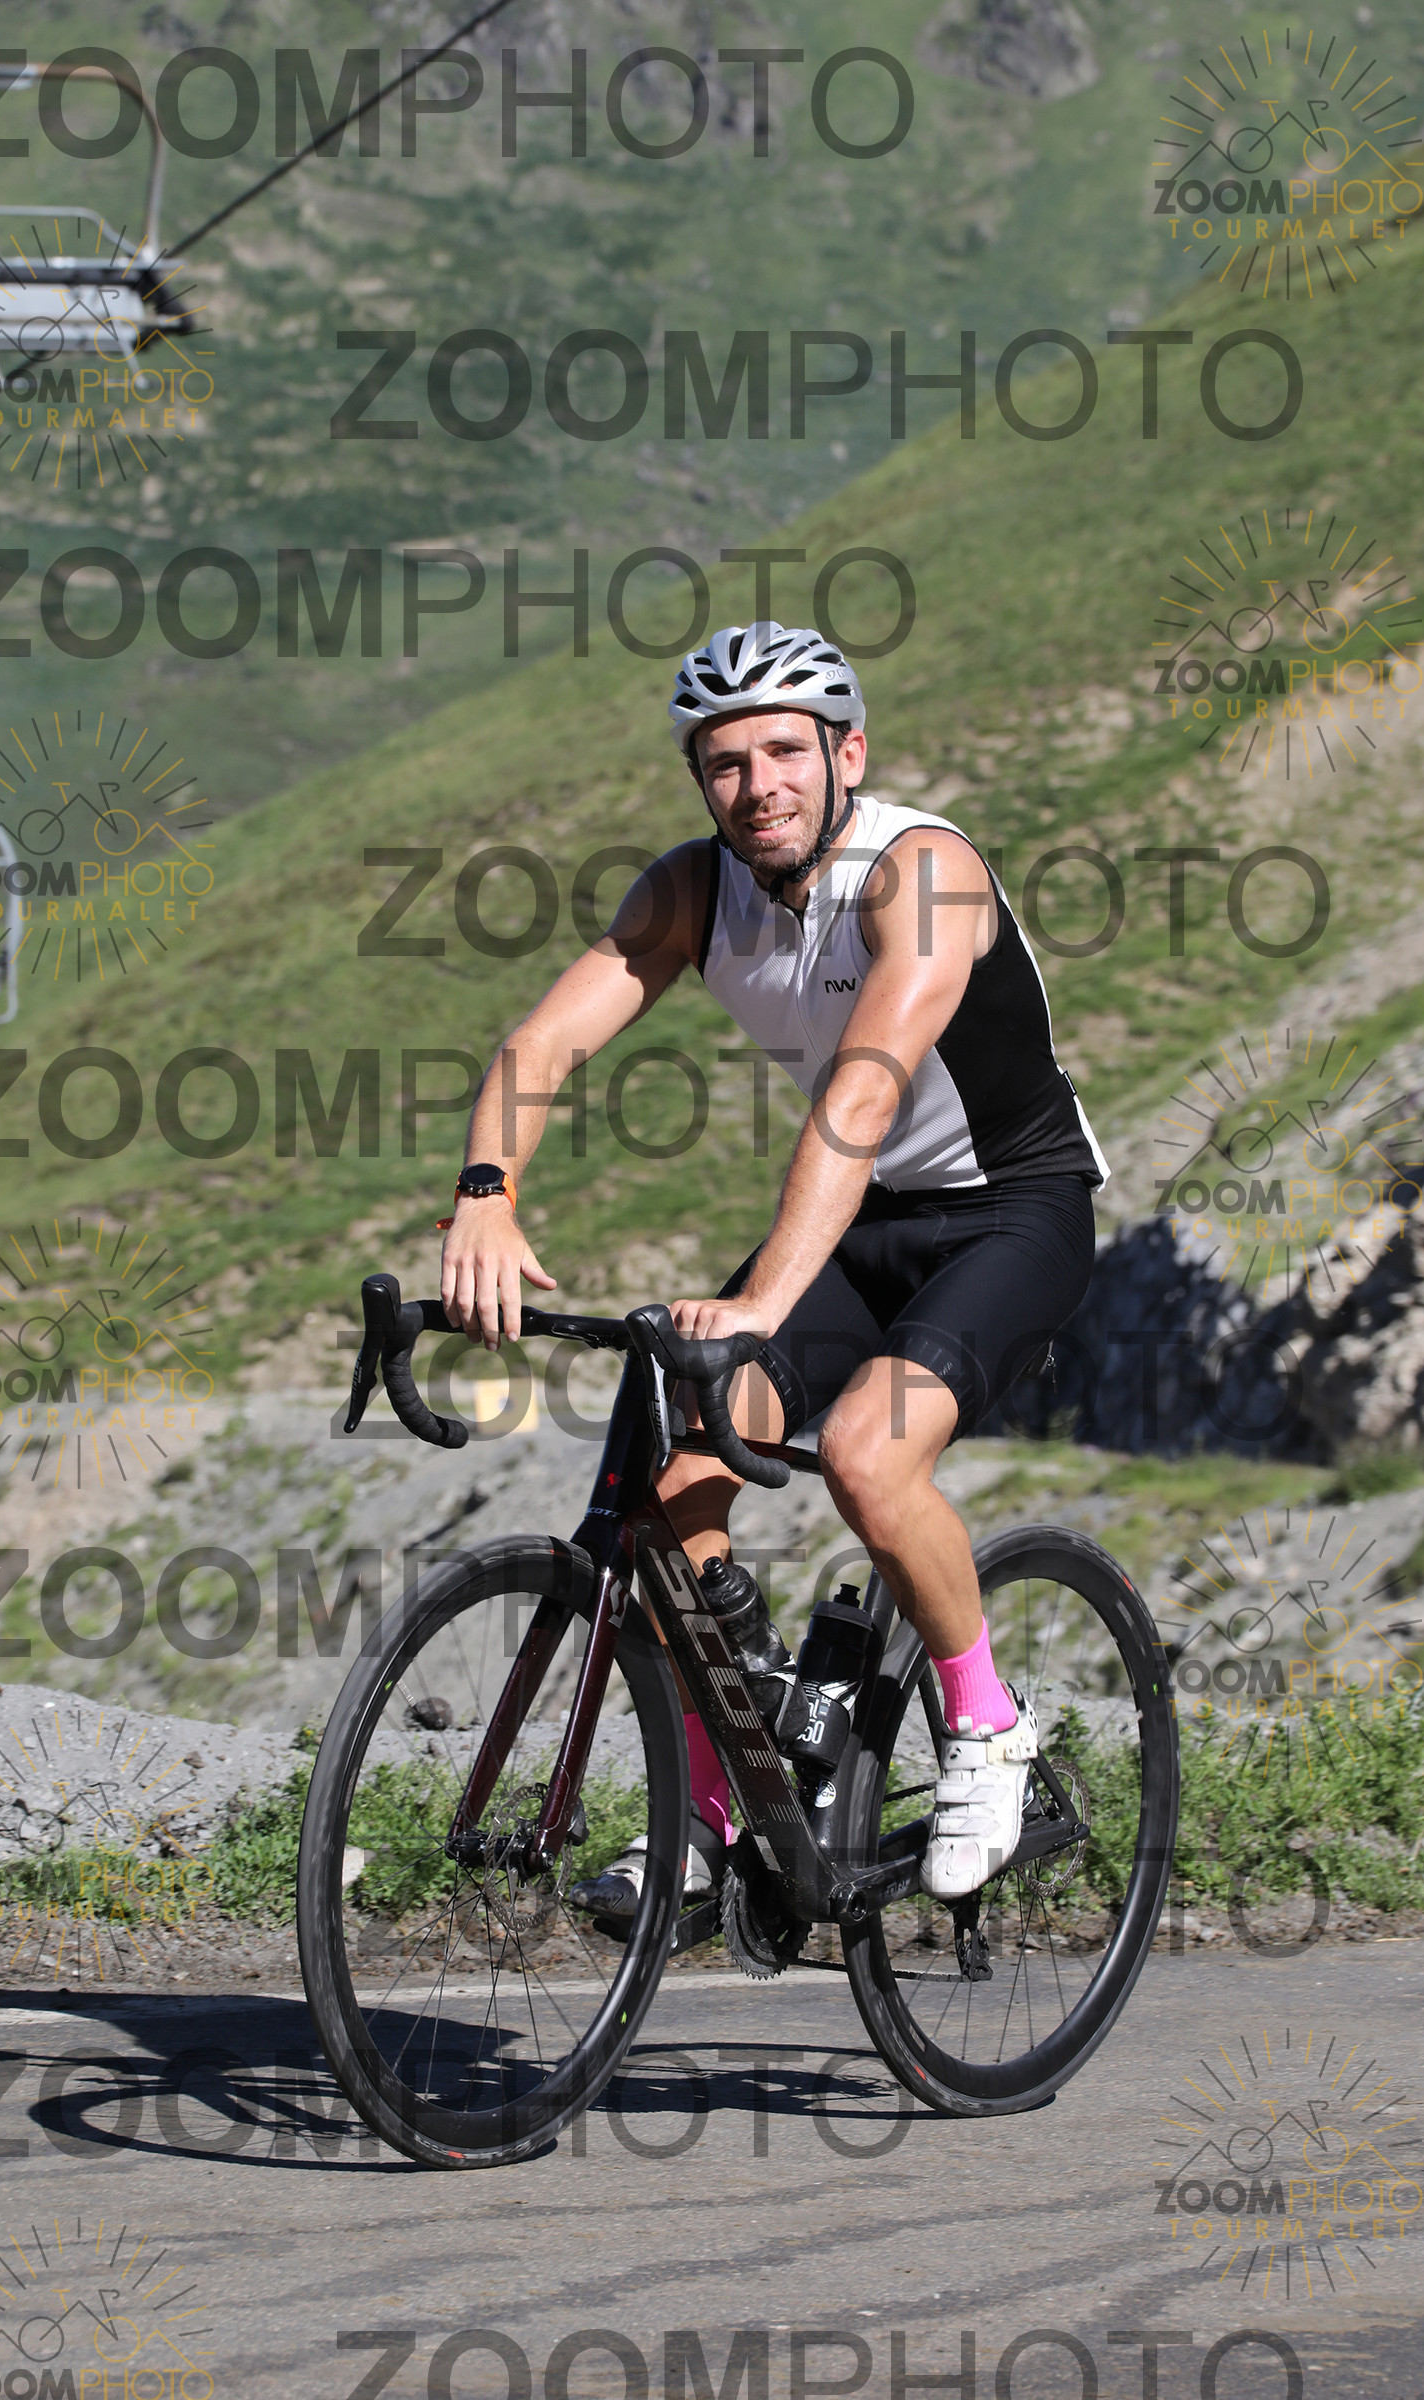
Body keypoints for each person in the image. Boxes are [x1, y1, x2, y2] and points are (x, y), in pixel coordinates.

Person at [438, 622, 1106, 1915]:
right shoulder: (696, 890)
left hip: (1011, 1213)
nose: (759, 787)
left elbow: (863, 1097)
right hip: (862, 1221)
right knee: (672, 1481)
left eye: (787, 753)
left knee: (867, 1454)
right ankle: (714, 1807)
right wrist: (485, 1195)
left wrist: (758, 1303)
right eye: (727, 763)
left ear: (847, 754)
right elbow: (543, 1044)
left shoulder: (923, 872)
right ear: (700, 779)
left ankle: (988, 1730)